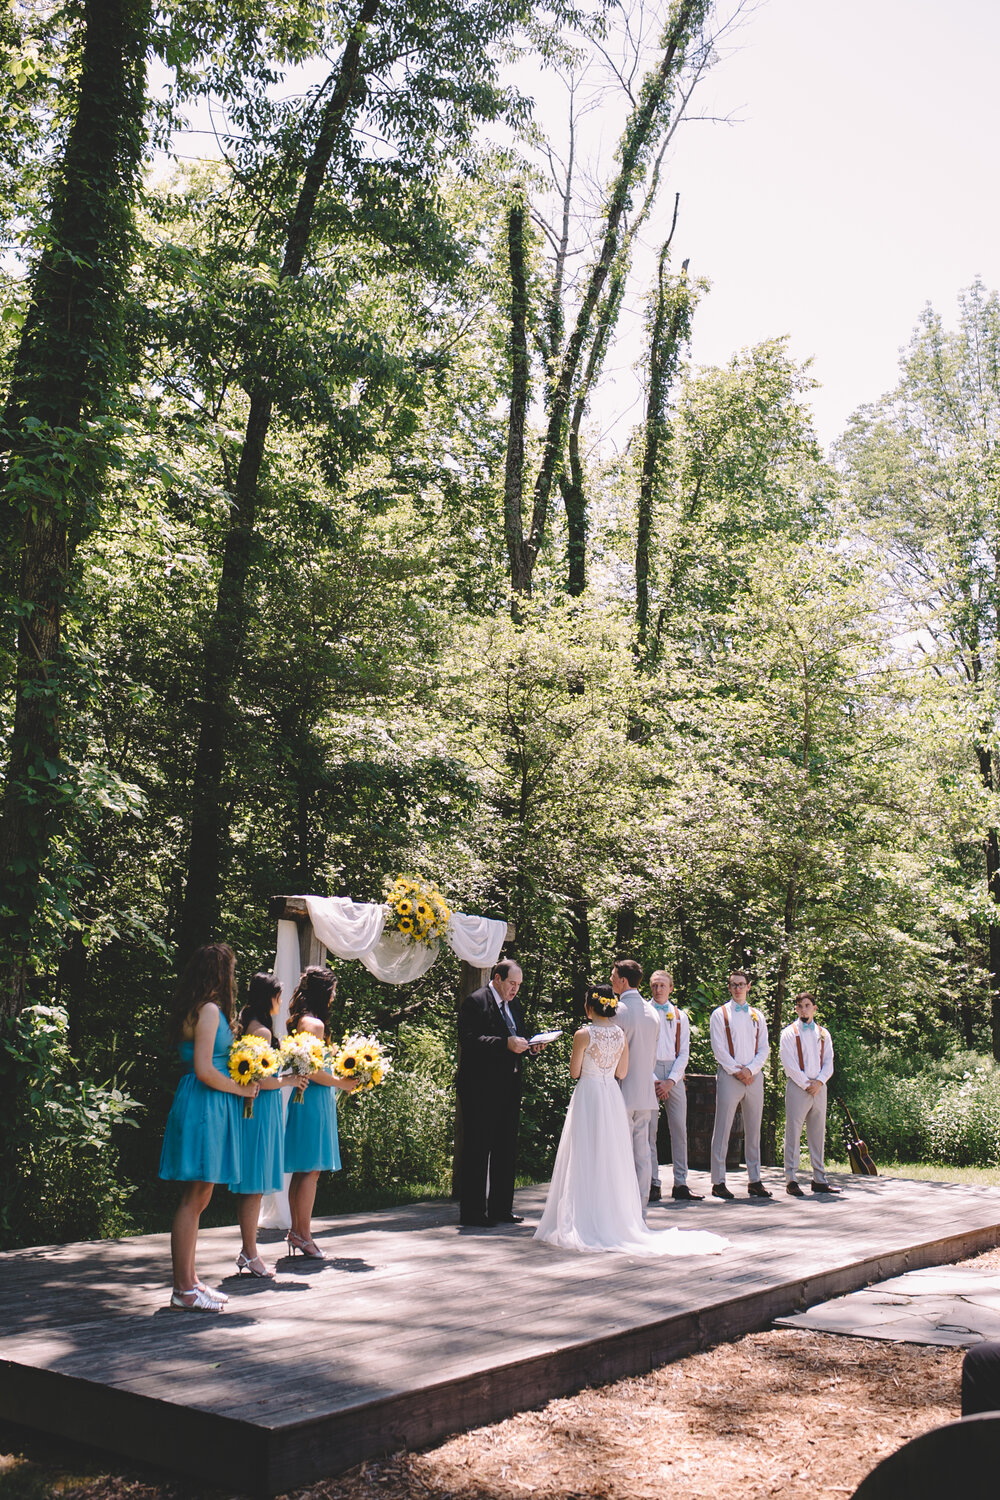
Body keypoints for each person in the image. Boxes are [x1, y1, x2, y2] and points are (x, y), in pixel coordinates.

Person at [534, 985, 728, 1256]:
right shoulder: (620, 1035)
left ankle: (582, 1215)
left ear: (589, 1007)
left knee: (584, 1152)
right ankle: (613, 1216)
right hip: (611, 1095)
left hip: (589, 1094)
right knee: (611, 1155)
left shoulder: (583, 1034)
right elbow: (622, 1071)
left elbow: (574, 1071)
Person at [159, 942, 258, 1311]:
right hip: (205, 1104)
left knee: (200, 1196)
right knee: (195, 1196)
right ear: (221, 973)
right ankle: (183, 1289)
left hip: (204, 1101)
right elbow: (204, 1068)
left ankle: (191, 1280)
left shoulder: (198, 1009)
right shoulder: (211, 1010)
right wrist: (242, 1088)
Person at [228, 971, 304, 1276]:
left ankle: (249, 1251)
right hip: (259, 1110)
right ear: (268, 998)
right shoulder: (261, 1033)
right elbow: (261, 1079)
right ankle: (249, 1252)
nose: (281, 1001)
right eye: (277, 995)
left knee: (255, 1184)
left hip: (259, 1109)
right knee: (254, 1184)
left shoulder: (251, 1026)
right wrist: (290, 1079)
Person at [283, 966, 358, 1259]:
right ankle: (304, 1235)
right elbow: (312, 1070)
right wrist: (342, 1082)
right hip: (313, 1100)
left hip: (306, 1100)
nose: (335, 995)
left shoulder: (304, 1021)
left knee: (304, 1170)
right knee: (310, 1171)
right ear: (324, 991)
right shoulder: (313, 1024)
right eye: (333, 989)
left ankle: (297, 1231)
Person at [456, 960, 537, 1227]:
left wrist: (531, 1045)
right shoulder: (475, 1002)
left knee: (506, 1149)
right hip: (480, 1088)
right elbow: (469, 1041)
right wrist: (505, 1044)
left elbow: (519, 1035)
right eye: (512, 984)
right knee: (478, 1149)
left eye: (519, 985)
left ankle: (501, 1208)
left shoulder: (514, 1004)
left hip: (509, 1086)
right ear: (498, 978)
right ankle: (473, 1212)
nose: (515, 990)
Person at [709, 970, 771, 1200]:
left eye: (741, 984)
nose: (737, 988)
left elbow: (764, 1047)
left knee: (753, 1130)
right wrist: (737, 1071)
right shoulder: (720, 1014)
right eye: (733, 985)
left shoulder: (757, 1015)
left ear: (749, 986)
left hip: (753, 1077)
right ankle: (718, 1181)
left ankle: (755, 1180)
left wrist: (751, 1070)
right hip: (729, 1075)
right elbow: (719, 1049)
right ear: (729, 987)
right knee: (723, 1128)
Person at [648, 970, 702, 1202]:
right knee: (649, 1131)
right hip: (648, 1072)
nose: (658, 989)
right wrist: (652, 1079)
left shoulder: (680, 1016)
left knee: (679, 1129)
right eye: (654, 985)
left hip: (674, 1074)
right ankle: (651, 1182)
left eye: (662, 985)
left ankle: (680, 1183)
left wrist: (671, 1081)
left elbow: (684, 1052)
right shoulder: (644, 1012)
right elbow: (637, 1047)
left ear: (671, 988)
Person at [611, 957, 660, 1207]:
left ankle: (623, 1207)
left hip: (622, 1089)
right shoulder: (653, 1012)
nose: (611, 981)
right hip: (645, 1091)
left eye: (613, 977)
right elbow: (653, 1054)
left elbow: (612, 1053)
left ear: (622, 980)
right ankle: (640, 1207)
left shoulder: (617, 1012)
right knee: (642, 1152)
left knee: (621, 1153)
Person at [779, 992, 838, 1197]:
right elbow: (789, 1063)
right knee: (793, 1132)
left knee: (817, 1132)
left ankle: (819, 1178)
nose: (804, 1009)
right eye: (800, 1006)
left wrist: (820, 1081)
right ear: (796, 1009)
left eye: (807, 1005)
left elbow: (829, 1060)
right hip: (798, 1086)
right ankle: (791, 1178)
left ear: (814, 1008)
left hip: (820, 1087)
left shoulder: (823, 1033)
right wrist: (806, 1083)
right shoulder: (789, 1033)